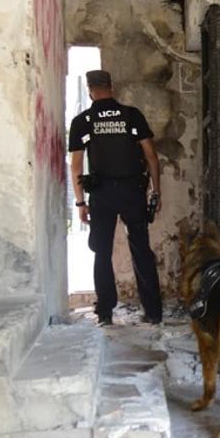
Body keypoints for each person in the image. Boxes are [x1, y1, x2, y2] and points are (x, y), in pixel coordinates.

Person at [68, 69, 164, 326]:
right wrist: (156, 191)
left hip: (102, 194)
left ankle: (106, 312)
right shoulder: (132, 116)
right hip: (133, 192)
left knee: (102, 251)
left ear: (90, 90)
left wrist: (80, 202)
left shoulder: (82, 121)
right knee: (141, 249)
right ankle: (153, 311)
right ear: (111, 86)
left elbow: (76, 167)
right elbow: (152, 157)